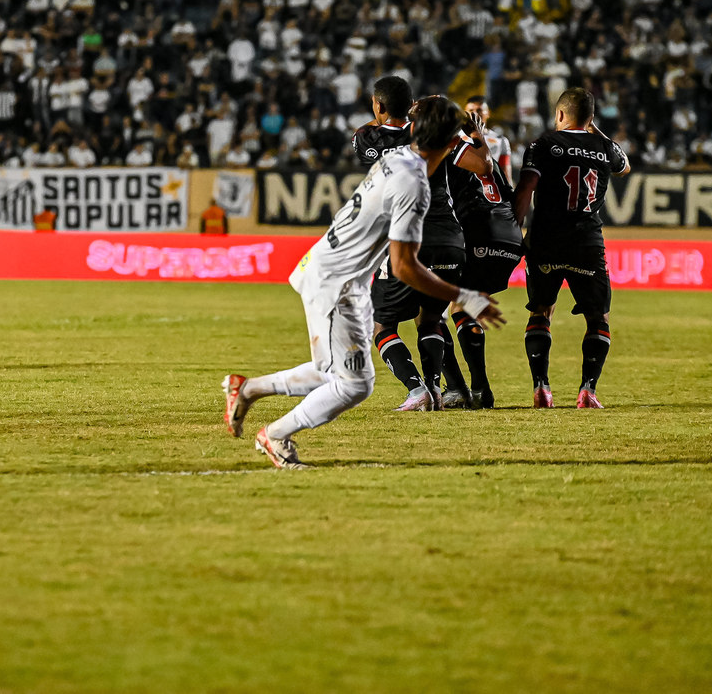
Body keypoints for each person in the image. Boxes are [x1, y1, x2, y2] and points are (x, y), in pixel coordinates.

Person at [222, 96, 504, 469]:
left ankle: (249, 388)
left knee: (334, 372)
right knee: (354, 384)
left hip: (332, 269)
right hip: (336, 281)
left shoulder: (393, 159)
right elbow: (404, 266)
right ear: (453, 144)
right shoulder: (414, 186)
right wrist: (464, 295)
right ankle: (275, 435)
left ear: (414, 130)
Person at [360, 79, 493, 412]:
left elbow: (371, 128)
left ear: (378, 105)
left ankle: (416, 388)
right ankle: (435, 389)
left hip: (406, 237)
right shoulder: (434, 135)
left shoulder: (366, 139)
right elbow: (484, 166)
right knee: (431, 319)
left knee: (382, 325)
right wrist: (474, 133)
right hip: (450, 237)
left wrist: (406, 109)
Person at [513, 87, 631, 408]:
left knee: (541, 310)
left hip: (545, 241)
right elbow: (625, 166)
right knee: (598, 317)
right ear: (591, 119)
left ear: (560, 114)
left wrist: (513, 228)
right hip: (586, 243)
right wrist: (598, 132)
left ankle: (542, 387)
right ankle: (588, 390)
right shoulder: (605, 148)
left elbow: (526, 188)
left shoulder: (543, 144)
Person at [438, 102, 525, 409]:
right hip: (511, 240)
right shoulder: (484, 150)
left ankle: (459, 389)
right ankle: (477, 390)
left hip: (477, 234)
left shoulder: (448, 150)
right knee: (463, 308)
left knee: (431, 310)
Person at [464, 96, 514, 184]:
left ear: (488, 113)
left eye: (479, 110)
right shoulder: (457, 137)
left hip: (491, 190)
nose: (475, 114)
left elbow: (505, 172)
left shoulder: (500, 140)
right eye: (471, 110)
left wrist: (509, 194)